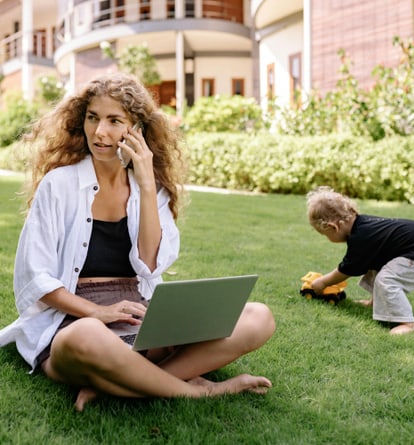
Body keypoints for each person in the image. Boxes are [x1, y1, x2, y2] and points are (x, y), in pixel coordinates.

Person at [0, 72, 275, 411]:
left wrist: (145, 184)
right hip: (73, 319)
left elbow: (149, 262)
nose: (100, 132)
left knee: (258, 317)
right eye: (93, 118)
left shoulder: (151, 190)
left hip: (137, 314)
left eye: (114, 121)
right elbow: (36, 278)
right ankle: (194, 390)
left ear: (137, 130)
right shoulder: (59, 184)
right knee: (89, 337)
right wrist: (98, 312)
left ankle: (124, 382)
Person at [306, 186, 414, 335]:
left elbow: (348, 269)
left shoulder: (361, 237)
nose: (328, 239)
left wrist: (323, 282)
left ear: (333, 227)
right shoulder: (362, 225)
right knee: (375, 262)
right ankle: (375, 303)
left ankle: (408, 324)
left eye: (325, 235)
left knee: (387, 279)